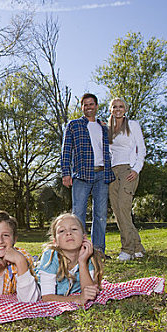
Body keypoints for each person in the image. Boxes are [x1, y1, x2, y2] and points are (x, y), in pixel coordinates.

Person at [61, 93, 115, 254]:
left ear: (96, 106)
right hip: (82, 175)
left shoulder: (104, 128)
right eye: (85, 105)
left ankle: (98, 250)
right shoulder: (74, 125)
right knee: (78, 214)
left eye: (91, 104)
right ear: (82, 107)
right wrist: (66, 173)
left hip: (102, 175)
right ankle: (77, 249)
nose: (89, 107)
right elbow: (66, 151)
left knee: (100, 214)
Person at [108, 98, 146, 261]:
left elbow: (142, 149)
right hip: (112, 172)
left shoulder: (133, 125)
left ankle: (127, 249)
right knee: (118, 212)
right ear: (110, 109)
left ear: (125, 109)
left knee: (124, 209)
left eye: (121, 106)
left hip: (128, 170)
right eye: (114, 106)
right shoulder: (107, 128)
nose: (118, 109)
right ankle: (138, 247)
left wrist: (136, 169)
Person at [36, 213, 104, 304]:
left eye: (74, 229)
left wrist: (82, 262)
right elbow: (47, 297)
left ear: (84, 237)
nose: (68, 233)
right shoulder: (50, 257)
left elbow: (89, 293)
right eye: (62, 231)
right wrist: (77, 299)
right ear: (55, 241)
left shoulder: (88, 256)